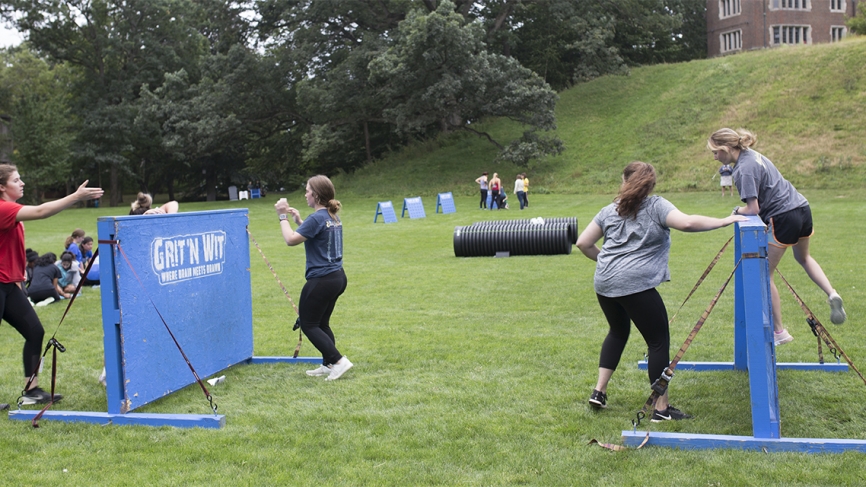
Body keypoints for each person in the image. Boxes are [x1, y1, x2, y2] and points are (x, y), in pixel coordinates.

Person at [576, 161, 745, 421]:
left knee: (618, 331)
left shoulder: (609, 210)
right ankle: (661, 409)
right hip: (635, 286)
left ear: (624, 180)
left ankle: (599, 391)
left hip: (605, 283)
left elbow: (583, 243)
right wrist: (725, 220)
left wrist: (608, 264)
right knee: (657, 341)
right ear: (651, 184)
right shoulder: (656, 206)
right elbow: (687, 223)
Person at [708, 128, 846, 346]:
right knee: (804, 258)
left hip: (783, 216)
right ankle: (831, 293)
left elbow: (753, 208)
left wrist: (736, 211)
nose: (715, 157)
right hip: (802, 207)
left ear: (726, 149)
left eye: (716, 152)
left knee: (764, 273)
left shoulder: (742, 169)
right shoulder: (753, 155)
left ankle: (779, 331)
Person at [274, 175, 352, 381]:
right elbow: (316, 234)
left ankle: (338, 361)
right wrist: (299, 221)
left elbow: (291, 240)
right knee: (322, 324)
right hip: (337, 277)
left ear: (316, 195)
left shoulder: (317, 218)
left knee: (309, 324)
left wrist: (282, 216)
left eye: (307, 190)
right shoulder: (331, 215)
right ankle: (328, 364)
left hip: (322, 280)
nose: (305, 194)